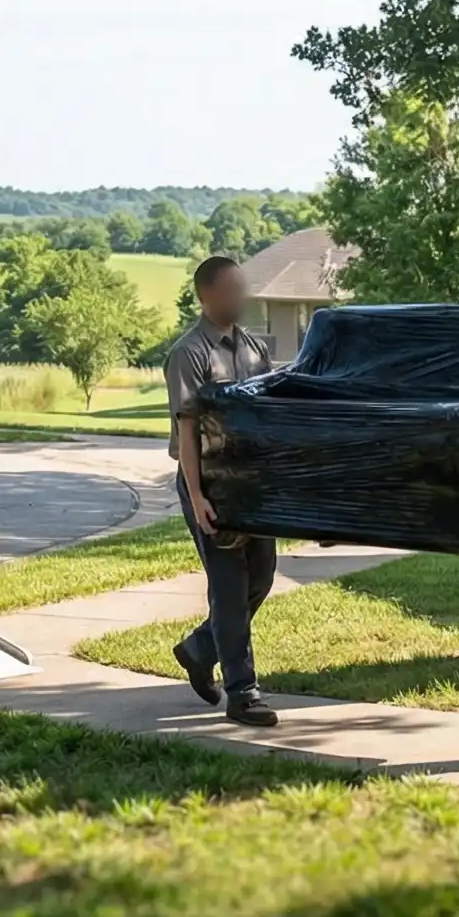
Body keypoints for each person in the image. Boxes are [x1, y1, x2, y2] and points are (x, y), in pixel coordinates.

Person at [165, 254, 279, 727]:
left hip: (250, 484)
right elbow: (187, 433)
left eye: (242, 288)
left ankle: (199, 648)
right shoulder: (189, 354)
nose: (240, 297)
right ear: (205, 295)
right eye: (231, 289)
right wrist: (197, 497)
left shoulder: (254, 348)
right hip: (211, 484)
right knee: (230, 589)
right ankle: (242, 692)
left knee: (261, 578)